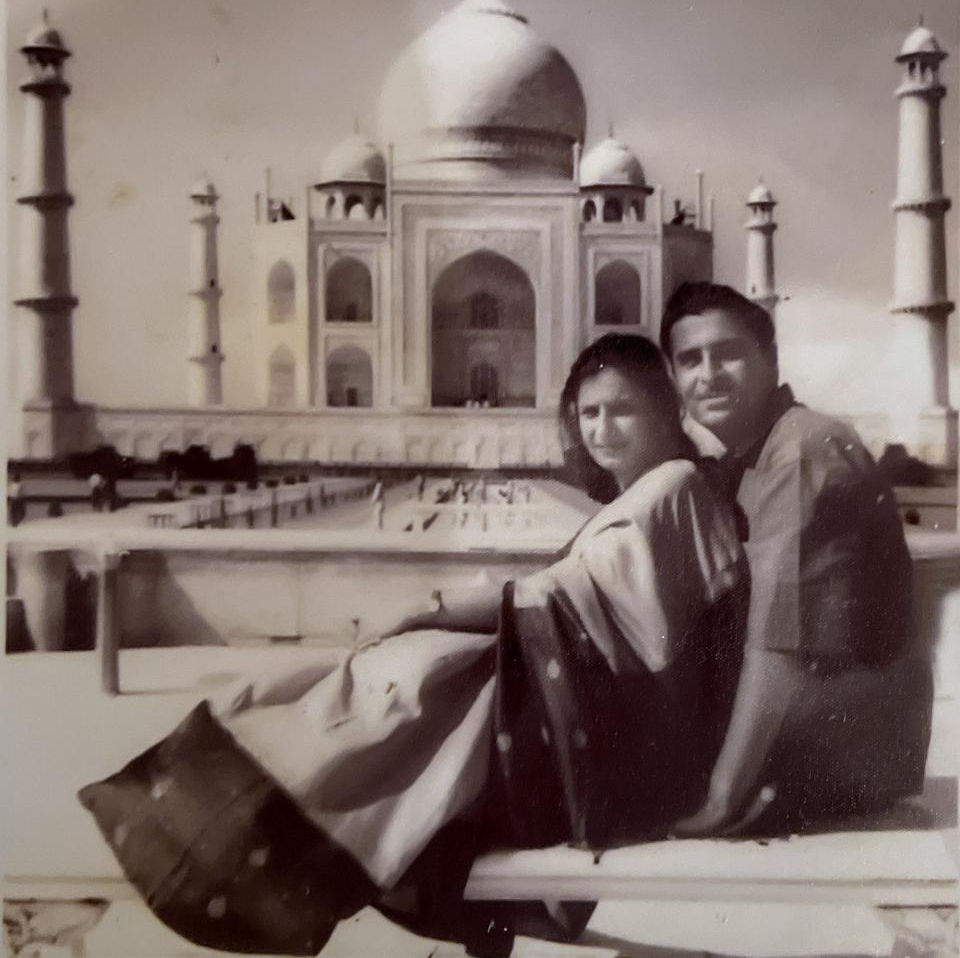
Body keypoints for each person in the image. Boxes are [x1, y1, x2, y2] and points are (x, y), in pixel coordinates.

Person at [79, 334, 749, 958]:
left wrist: (434, 609)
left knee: (412, 677)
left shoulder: (675, 484)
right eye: (590, 412)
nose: (602, 430)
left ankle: (245, 817)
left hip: (638, 744)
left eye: (623, 410)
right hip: (624, 718)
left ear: (666, 408)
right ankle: (276, 803)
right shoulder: (656, 489)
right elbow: (579, 598)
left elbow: (574, 595)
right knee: (395, 676)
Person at [660, 282, 933, 836]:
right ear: (675, 381)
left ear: (770, 361)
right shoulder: (752, 456)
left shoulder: (801, 450)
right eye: (690, 360)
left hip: (849, 746)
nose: (708, 374)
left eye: (728, 352)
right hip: (828, 729)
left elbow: (779, 643)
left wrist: (721, 799)